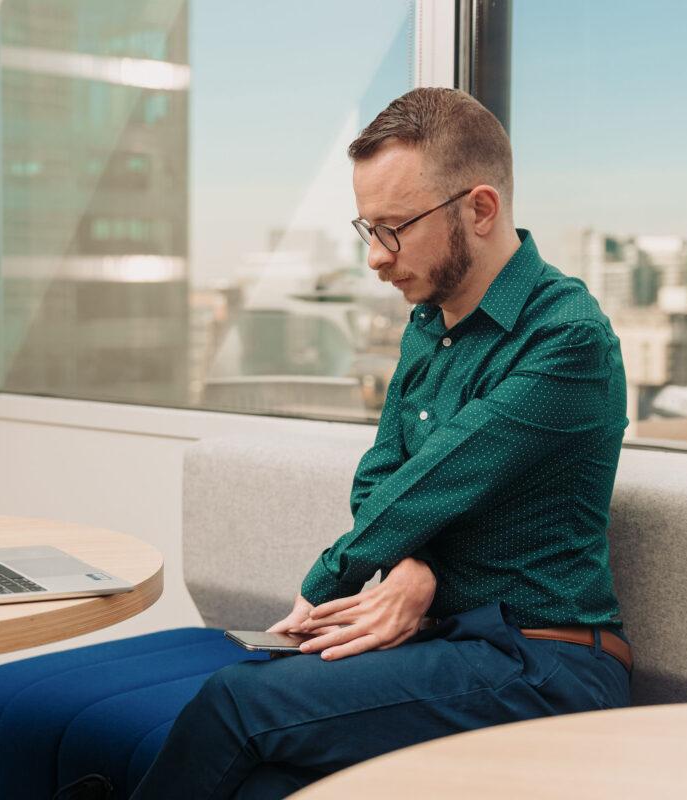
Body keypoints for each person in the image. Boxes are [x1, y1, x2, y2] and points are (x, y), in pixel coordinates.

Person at [129, 87, 634, 800]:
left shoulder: (568, 339)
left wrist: (323, 586)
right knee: (264, 780)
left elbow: (440, 478)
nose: (376, 258)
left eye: (395, 227)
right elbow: (382, 481)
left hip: (543, 661)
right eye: (368, 229)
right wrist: (415, 563)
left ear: (481, 209)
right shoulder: (428, 324)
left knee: (237, 704)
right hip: (448, 642)